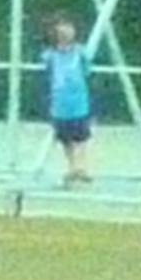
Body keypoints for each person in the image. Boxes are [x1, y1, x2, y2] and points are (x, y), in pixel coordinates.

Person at [40, 16, 93, 186]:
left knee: (81, 137)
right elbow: (46, 72)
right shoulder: (49, 55)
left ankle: (81, 168)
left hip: (78, 102)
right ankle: (73, 168)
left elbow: (87, 70)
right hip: (60, 103)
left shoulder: (80, 52)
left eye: (69, 28)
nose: (66, 32)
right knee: (65, 139)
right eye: (61, 29)